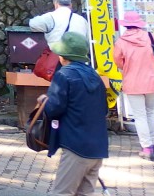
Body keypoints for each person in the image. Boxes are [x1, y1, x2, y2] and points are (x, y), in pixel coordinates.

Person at [38, 32, 109, 196]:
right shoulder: (95, 76)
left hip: (75, 146)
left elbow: (53, 109)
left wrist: (44, 101)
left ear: (63, 57)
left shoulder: (63, 75)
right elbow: (104, 110)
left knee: (62, 192)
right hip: (97, 148)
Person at [113, 11, 154, 160]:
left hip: (133, 81)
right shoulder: (150, 37)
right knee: (150, 112)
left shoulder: (121, 42)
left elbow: (118, 62)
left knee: (140, 115)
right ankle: (153, 144)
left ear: (126, 25)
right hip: (153, 80)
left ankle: (146, 147)